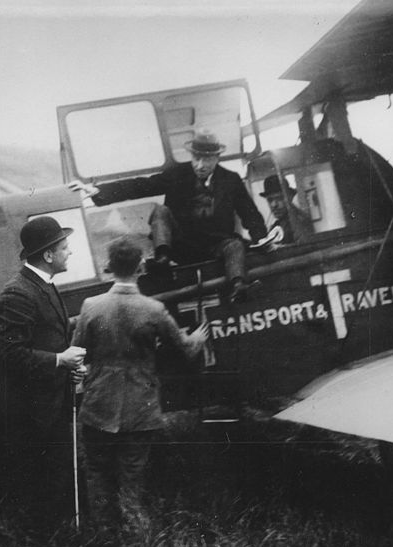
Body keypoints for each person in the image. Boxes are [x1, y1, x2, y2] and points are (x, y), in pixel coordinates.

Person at [72, 238, 208, 524]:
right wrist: (198, 337)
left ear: (108, 267)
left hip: (98, 405)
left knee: (97, 473)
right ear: (140, 267)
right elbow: (187, 349)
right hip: (139, 407)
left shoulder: (91, 306)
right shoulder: (153, 309)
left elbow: (77, 353)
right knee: (132, 477)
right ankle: (136, 537)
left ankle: (102, 536)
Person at [69, 128, 270, 303]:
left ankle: (239, 286)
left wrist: (262, 239)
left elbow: (250, 214)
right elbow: (141, 186)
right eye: (196, 158)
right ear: (191, 156)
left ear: (217, 158)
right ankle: (162, 257)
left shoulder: (231, 180)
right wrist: (98, 191)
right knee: (160, 211)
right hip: (181, 246)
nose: (200, 165)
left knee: (235, 245)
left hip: (215, 246)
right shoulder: (177, 175)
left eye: (207, 159)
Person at [0, 216, 87, 527]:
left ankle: (58, 538)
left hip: (46, 401)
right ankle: (40, 545)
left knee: (54, 476)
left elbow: (51, 339)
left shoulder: (43, 286)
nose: (70, 253)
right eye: (65, 248)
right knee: (35, 482)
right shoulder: (18, 293)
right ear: (48, 255)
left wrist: (68, 369)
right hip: (25, 410)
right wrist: (60, 361)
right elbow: (9, 355)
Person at [259, 175, 314, 244]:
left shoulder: (299, 221)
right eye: (270, 200)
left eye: (279, 198)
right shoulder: (278, 224)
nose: (274, 205)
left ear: (290, 197)